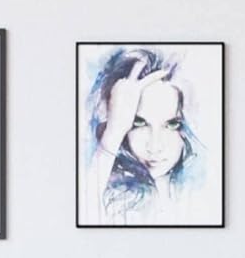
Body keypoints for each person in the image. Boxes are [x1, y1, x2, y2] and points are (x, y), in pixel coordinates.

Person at [81, 47, 203, 224]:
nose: (154, 147)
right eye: (139, 123)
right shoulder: (115, 201)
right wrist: (114, 133)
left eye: (172, 124)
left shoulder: (199, 195)